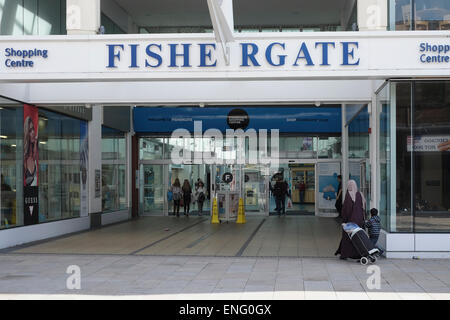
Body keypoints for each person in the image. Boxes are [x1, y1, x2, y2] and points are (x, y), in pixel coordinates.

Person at [335, 180, 366, 260]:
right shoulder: (359, 194)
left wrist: (344, 220)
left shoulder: (349, 195)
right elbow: (363, 206)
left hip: (350, 221)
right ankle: (358, 253)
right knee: (358, 237)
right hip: (359, 221)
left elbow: (346, 209)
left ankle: (345, 254)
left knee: (347, 238)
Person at [23, 116, 38, 187]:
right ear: (27, 134)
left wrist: (35, 143)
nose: (33, 133)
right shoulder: (25, 159)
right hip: (26, 195)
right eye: (30, 131)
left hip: (34, 194)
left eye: (33, 129)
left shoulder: (34, 156)